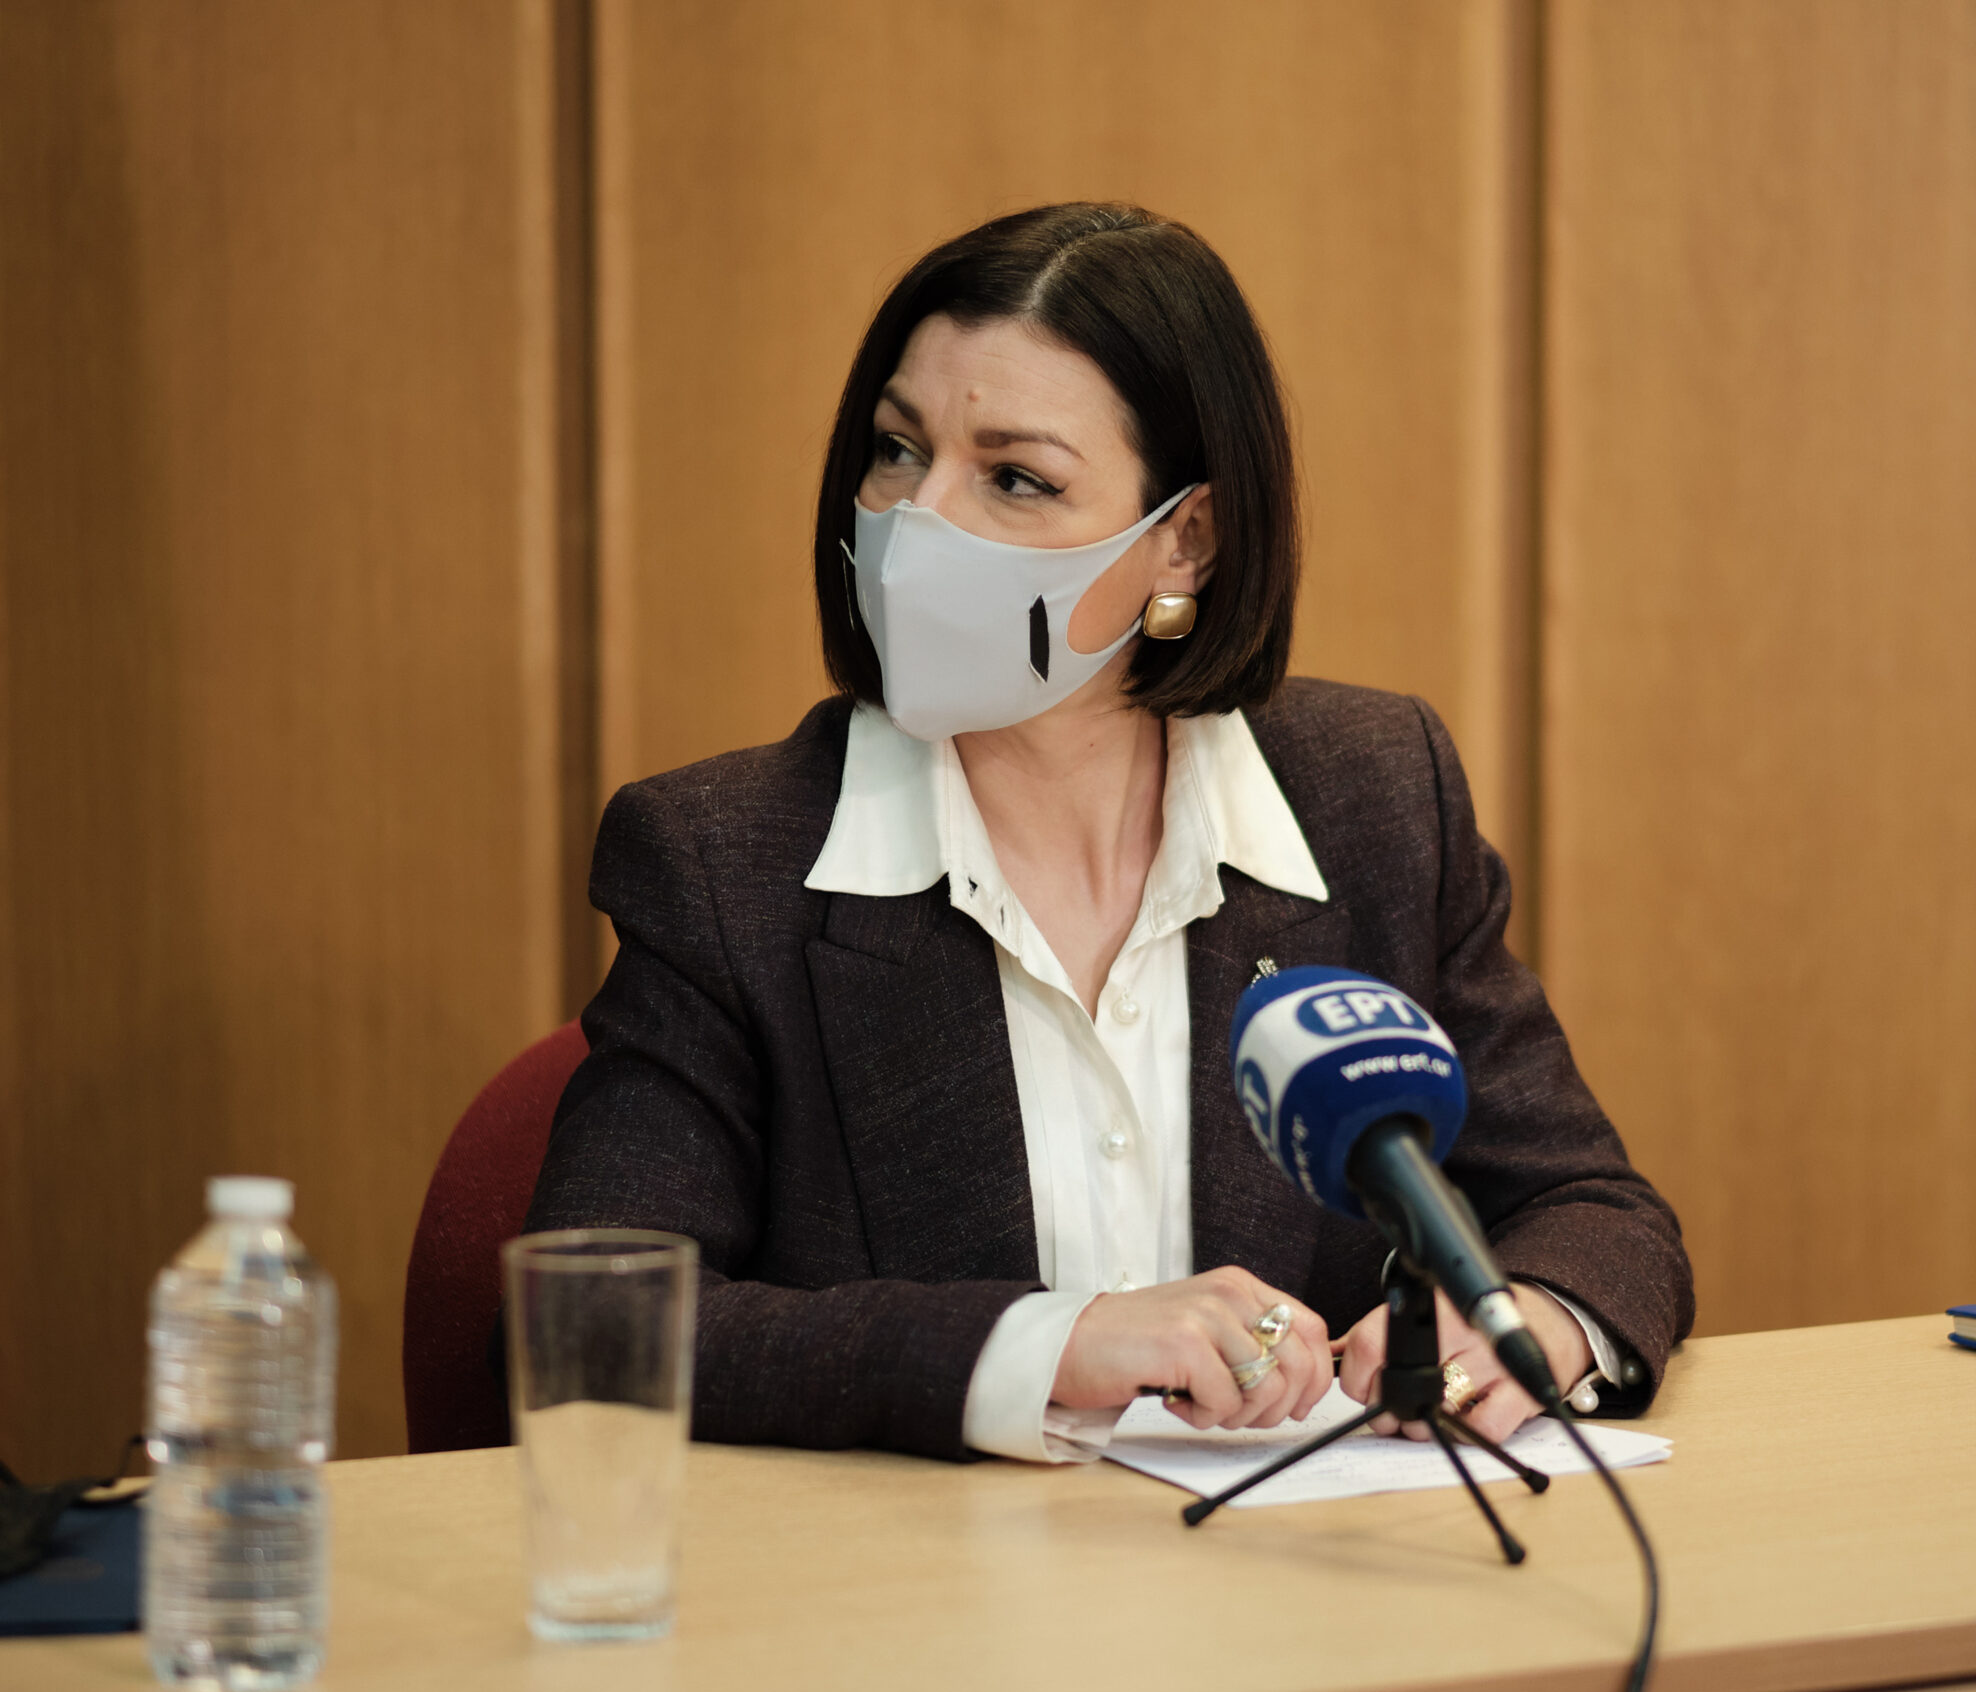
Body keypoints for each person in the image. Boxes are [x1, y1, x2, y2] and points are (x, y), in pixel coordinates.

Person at [522, 202, 1692, 1463]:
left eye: (1015, 479)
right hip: (924, 1581)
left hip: (1307, 1570)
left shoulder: (1372, 798)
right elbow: (595, 1324)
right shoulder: (719, 859)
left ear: (1184, 541)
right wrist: (1042, 1346)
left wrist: (1526, 1323)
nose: (919, 524)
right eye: (898, 451)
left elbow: (1591, 1210)